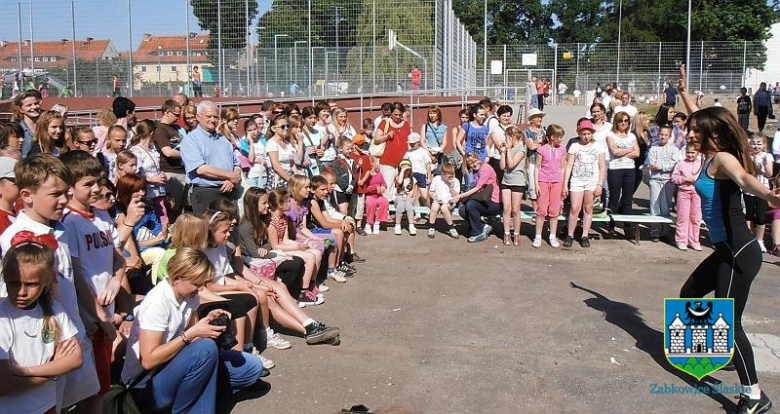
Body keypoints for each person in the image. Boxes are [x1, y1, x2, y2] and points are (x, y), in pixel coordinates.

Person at [679, 106, 780, 414]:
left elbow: (744, 178)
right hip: (725, 250)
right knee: (690, 295)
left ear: (714, 133)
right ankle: (714, 355)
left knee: (729, 323)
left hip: (740, 253)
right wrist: (685, 95)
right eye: (691, 128)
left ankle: (754, 396)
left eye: (697, 129)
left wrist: (769, 196)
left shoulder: (723, 157)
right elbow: (704, 115)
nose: (691, 133)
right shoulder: (710, 155)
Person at [121, 248, 263, 413]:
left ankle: (194, 394)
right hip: (146, 384)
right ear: (177, 278)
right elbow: (148, 360)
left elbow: (195, 333)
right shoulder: (157, 303)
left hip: (175, 365)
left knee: (252, 367)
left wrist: (207, 321)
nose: (200, 289)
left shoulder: (189, 295)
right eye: (196, 284)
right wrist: (191, 334)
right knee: (206, 349)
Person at [60, 151, 127, 405]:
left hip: (105, 313)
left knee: (100, 387)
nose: (97, 189)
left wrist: (115, 281)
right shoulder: (70, 222)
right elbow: (75, 275)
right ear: (69, 187)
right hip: (90, 319)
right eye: (88, 184)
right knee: (91, 394)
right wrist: (100, 318)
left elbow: (118, 259)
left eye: (98, 181)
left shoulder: (101, 216)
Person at [0, 243, 83, 413]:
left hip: (47, 406)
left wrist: (26, 371)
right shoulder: (3, 318)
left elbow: (75, 359)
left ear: (45, 282)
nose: (21, 292)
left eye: (31, 284)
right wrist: (54, 368)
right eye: (14, 283)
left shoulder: (54, 308)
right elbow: (4, 385)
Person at [181, 101, 242, 213]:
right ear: (198, 117)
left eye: (215, 117)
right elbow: (201, 169)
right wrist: (230, 176)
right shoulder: (191, 140)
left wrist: (231, 180)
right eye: (209, 116)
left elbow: (237, 164)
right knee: (207, 229)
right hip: (205, 193)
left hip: (228, 191)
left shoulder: (223, 139)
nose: (213, 120)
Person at [563, 120, 606, 248]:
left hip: (591, 181)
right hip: (577, 180)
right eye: (583, 134)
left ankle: (585, 235)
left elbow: (602, 166)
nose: (586, 136)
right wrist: (565, 184)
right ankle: (570, 234)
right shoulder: (575, 146)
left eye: (588, 133)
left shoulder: (598, 146)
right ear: (579, 133)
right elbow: (569, 166)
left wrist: (600, 184)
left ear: (592, 133)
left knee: (588, 208)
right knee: (574, 208)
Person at [453, 153, 500, 243]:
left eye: (475, 161)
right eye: (471, 163)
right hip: (483, 201)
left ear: (479, 159)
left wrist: (459, 196)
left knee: (471, 205)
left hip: (494, 202)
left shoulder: (485, 168)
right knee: (462, 210)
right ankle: (482, 226)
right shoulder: (474, 172)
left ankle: (478, 232)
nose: (474, 164)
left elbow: (477, 188)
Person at [152, 100, 186, 217]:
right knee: (172, 211)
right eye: (176, 114)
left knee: (180, 212)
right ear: (167, 112)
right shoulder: (160, 129)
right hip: (170, 173)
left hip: (181, 172)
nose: (178, 118)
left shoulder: (176, 128)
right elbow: (168, 152)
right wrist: (188, 154)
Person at [534, 125, 566, 248]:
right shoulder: (542, 150)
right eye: (559, 137)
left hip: (557, 181)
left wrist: (563, 184)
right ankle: (538, 236)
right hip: (543, 180)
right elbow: (537, 167)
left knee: (554, 210)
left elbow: (563, 167)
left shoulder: (562, 149)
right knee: (541, 209)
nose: (561, 140)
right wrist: (536, 183)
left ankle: (552, 235)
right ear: (552, 137)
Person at [130, 120, 168, 224]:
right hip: (145, 195)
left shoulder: (152, 150)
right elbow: (133, 175)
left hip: (158, 193)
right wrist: (151, 179)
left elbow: (153, 168)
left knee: (164, 221)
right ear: (152, 133)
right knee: (151, 223)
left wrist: (161, 175)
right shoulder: (136, 151)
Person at [647, 126, 681, 242]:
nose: (663, 137)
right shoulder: (653, 149)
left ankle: (665, 232)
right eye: (662, 134)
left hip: (668, 181)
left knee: (665, 206)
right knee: (655, 205)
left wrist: (661, 166)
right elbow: (652, 164)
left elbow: (675, 164)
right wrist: (665, 166)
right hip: (655, 180)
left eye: (666, 135)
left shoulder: (674, 150)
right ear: (658, 134)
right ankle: (655, 232)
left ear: (669, 136)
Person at [606, 112, 640, 224]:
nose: (623, 123)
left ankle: (627, 224)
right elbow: (614, 152)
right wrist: (630, 149)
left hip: (629, 169)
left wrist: (622, 152)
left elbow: (637, 153)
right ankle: (611, 222)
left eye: (626, 121)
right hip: (615, 169)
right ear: (616, 122)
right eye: (621, 121)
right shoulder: (611, 135)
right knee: (614, 198)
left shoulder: (632, 136)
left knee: (627, 198)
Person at [374, 102, 411, 200]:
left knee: (401, 187)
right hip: (387, 160)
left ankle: (398, 211)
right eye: (395, 114)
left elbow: (409, 142)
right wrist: (387, 136)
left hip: (402, 161)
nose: (398, 117)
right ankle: (385, 211)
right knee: (387, 187)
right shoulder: (385, 123)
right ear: (391, 113)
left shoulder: (406, 125)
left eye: (400, 114)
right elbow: (376, 138)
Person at [744, 133, 774, 253]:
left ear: (764, 145)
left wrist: (764, 163)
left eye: (759, 144)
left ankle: (760, 240)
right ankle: (748, 238)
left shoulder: (767, 156)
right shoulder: (748, 156)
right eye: (753, 143)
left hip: (762, 189)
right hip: (749, 189)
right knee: (749, 215)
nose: (756, 146)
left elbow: (770, 174)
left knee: (760, 217)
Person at [671, 143, 703, 250]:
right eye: (688, 152)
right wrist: (685, 179)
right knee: (682, 217)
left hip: (697, 193)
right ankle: (681, 240)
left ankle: (694, 241)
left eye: (692, 152)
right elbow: (674, 178)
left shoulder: (701, 164)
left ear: (697, 153)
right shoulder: (681, 164)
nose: (690, 155)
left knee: (695, 217)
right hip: (683, 193)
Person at [499, 126, 527, 246]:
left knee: (515, 209)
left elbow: (511, 164)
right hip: (506, 181)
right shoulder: (507, 149)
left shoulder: (521, 149)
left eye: (507, 137)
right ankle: (506, 233)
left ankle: (516, 233)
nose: (505, 139)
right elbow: (502, 166)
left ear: (513, 137)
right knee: (506, 208)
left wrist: (509, 150)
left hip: (518, 181)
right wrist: (503, 152)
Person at [426, 162, 460, 239]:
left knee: (444, 208)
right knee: (434, 206)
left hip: (449, 200)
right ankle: (431, 226)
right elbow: (431, 192)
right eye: (449, 176)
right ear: (442, 174)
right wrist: (435, 197)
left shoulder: (455, 181)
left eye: (452, 175)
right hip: (439, 199)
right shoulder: (436, 179)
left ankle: (451, 227)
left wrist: (451, 187)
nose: (451, 178)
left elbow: (456, 196)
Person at [362, 157, 389, 235]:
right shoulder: (367, 175)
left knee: (384, 202)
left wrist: (383, 187)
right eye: (376, 162)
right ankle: (369, 223)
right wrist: (374, 187)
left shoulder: (379, 174)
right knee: (371, 203)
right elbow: (364, 189)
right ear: (371, 164)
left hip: (379, 195)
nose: (378, 164)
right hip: (369, 195)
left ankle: (377, 222)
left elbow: (384, 183)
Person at [393, 159, 418, 236]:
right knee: (400, 204)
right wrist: (402, 170)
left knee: (409, 204)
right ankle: (397, 225)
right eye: (404, 169)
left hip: (409, 198)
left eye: (407, 169)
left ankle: (411, 225)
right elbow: (399, 182)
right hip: (398, 198)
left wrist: (407, 198)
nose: (406, 171)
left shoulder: (413, 179)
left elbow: (413, 192)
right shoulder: (398, 177)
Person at [406, 133, 432, 207]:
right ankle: (418, 213)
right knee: (414, 196)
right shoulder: (408, 152)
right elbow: (405, 163)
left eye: (413, 143)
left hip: (421, 174)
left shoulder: (423, 151)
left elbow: (428, 165)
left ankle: (430, 210)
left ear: (418, 142)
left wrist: (429, 177)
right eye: (410, 143)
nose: (412, 145)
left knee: (424, 195)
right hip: (411, 175)